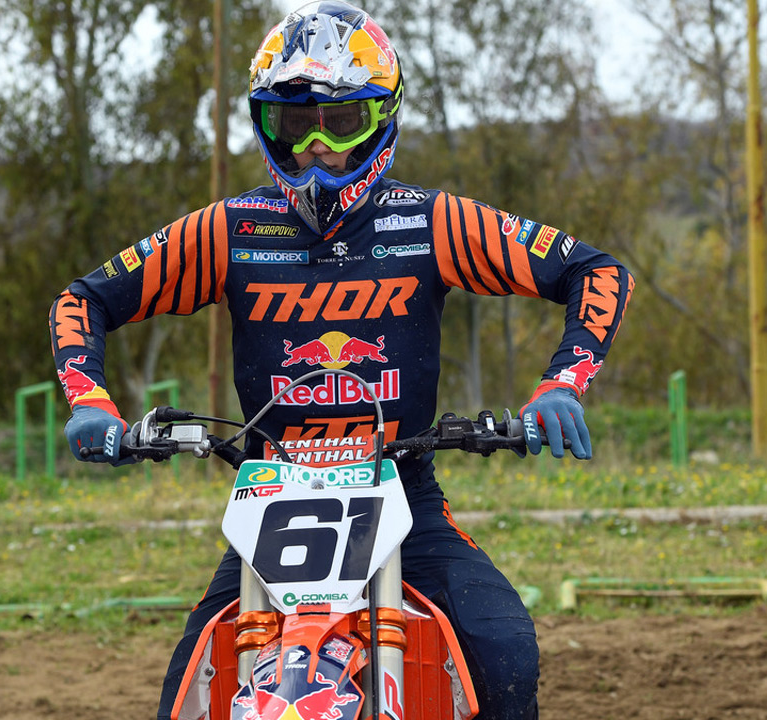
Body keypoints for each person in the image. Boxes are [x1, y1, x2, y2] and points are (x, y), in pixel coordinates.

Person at [48, 2, 634, 717]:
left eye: (341, 122)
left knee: (503, 642)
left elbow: (595, 271)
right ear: (266, 125)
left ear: (382, 118)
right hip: (272, 505)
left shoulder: (430, 222)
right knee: (190, 685)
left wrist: (562, 384)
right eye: (294, 126)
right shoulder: (230, 232)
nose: (316, 149)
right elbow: (83, 299)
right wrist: (91, 401)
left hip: (404, 500)